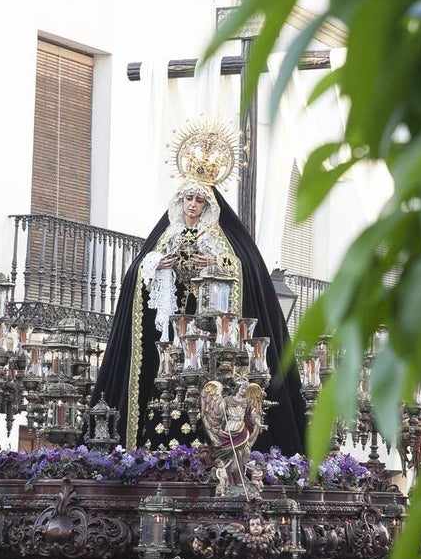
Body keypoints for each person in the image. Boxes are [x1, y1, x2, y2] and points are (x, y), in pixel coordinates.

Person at [91, 164, 306, 454]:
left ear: (208, 205)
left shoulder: (223, 240)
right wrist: (155, 265)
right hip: (172, 334)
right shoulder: (167, 236)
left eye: (199, 200)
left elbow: (248, 269)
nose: (192, 205)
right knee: (166, 383)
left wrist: (218, 264)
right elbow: (137, 273)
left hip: (210, 333)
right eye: (188, 198)